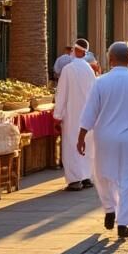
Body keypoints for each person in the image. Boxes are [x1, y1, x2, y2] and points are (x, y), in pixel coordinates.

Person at [77, 42, 128, 238]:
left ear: (110, 59)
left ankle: (109, 208)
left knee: (104, 175)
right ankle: (123, 221)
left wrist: (81, 137)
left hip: (105, 137)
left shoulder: (100, 82)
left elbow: (89, 112)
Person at [53, 39, 97, 191]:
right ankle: (86, 177)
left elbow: (61, 94)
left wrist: (57, 115)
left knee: (72, 145)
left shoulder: (68, 70)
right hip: (88, 117)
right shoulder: (90, 70)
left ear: (77, 51)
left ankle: (74, 180)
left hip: (72, 116)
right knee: (87, 146)